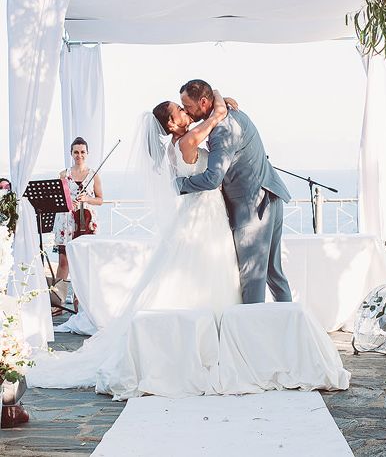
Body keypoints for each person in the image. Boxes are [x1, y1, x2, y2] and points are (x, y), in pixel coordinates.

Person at [28, 89, 240, 397]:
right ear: (171, 124)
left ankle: (209, 341)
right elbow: (216, 116)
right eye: (179, 110)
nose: (185, 111)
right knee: (207, 274)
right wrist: (219, 98)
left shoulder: (177, 143)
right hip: (203, 218)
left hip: (202, 216)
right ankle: (205, 347)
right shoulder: (186, 140)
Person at [177, 79, 292, 304]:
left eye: (188, 106)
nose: (187, 112)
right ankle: (289, 329)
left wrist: (178, 185)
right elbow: (214, 93)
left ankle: (250, 335)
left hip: (254, 207)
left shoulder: (221, 131)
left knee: (252, 277)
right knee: (273, 273)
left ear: (203, 101)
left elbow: (212, 179)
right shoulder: (229, 112)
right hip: (271, 194)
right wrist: (219, 96)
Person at [51, 137, 104, 314]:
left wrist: (87, 199)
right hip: (66, 221)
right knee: (63, 261)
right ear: (71, 154)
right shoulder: (63, 174)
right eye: (76, 152)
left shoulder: (94, 174)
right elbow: (59, 199)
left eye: (82, 152)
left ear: (87, 154)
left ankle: (80, 302)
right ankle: (57, 304)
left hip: (86, 221)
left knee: (83, 263)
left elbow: (100, 200)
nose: (79, 155)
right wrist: (69, 202)